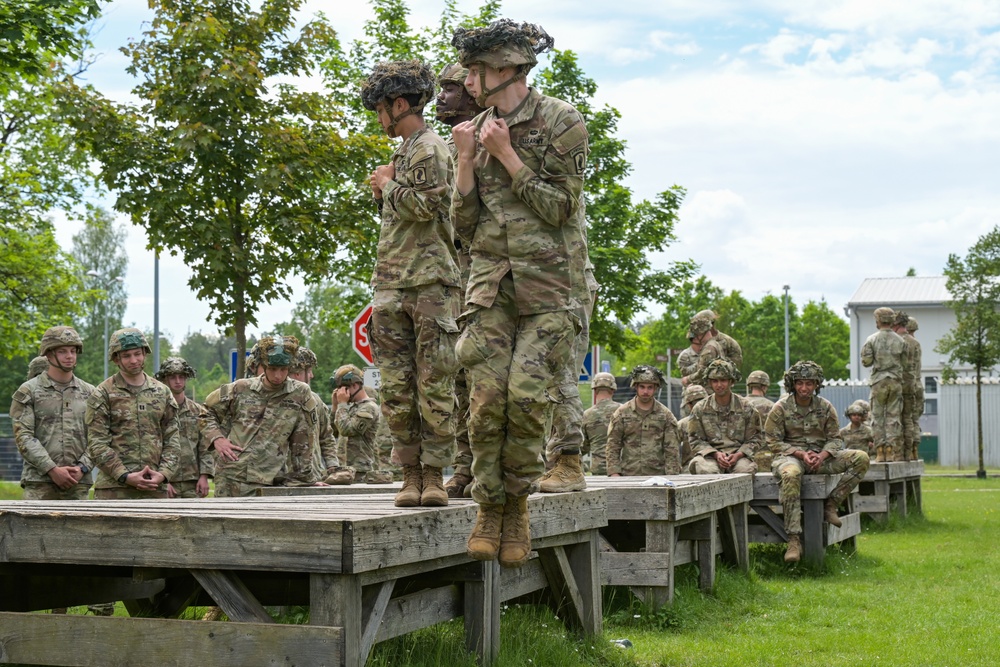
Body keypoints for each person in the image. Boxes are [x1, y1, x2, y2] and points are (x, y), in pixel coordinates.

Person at [451, 19, 588, 567]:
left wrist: (508, 155)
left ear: (506, 69)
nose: (468, 78)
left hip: (550, 283)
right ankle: (491, 508)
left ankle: (517, 506)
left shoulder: (562, 121)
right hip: (490, 285)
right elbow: (462, 224)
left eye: (477, 69)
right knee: (486, 400)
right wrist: (465, 159)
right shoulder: (474, 129)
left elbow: (561, 207)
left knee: (528, 400)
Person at [362, 59, 461, 509]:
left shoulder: (428, 147)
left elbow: (427, 208)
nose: (379, 119)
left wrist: (388, 184)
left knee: (435, 383)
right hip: (393, 283)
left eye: (381, 109)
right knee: (397, 387)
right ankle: (410, 474)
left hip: (429, 284)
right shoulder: (404, 153)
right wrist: (387, 186)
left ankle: (434, 475)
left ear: (399, 104)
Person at [435, 62, 484, 499]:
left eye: (451, 89)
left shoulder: (485, 137)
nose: (442, 97)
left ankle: (489, 469)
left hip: (484, 276)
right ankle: (465, 467)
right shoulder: (440, 148)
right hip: (453, 279)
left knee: (487, 377)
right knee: (459, 381)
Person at [765, 360, 870, 563]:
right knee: (791, 475)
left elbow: (835, 438)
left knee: (861, 458)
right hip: (790, 458)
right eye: (800, 383)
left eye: (809, 383)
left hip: (820, 458)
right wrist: (799, 454)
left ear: (816, 385)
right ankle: (794, 539)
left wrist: (823, 455)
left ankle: (831, 504)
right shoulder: (781, 407)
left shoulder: (825, 407)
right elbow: (772, 441)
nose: (804, 388)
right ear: (792, 384)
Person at [201, 335, 322, 497]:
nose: (278, 375)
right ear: (264, 366)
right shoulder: (241, 388)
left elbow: (304, 437)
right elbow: (206, 412)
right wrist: (217, 439)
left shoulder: (300, 393)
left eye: (283, 369)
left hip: (272, 479)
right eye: (273, 369)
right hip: (233, 477)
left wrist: (305, 478)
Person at [86, 328, 180, 499]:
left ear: (145, 353)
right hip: (114, 490)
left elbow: (172, 438)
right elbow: (97, 443)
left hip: (154, 488)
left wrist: (163, 473)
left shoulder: (162, 392)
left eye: (137, 354)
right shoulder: (103, 393)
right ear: (116, 358)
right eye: (126, 356)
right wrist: (124, 475)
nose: (134, 360)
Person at [11, 327, 95, 500]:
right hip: (40, 483)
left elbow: (98, 437)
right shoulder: (29, 391)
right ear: (48, 355)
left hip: (77, 483)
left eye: (73, 351)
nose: (69, 356)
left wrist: (82, 468)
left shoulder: (91, 393)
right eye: (62, 351)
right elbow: (24, 436)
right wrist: (52, 469)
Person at [289, 348, 354, 485]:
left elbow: (326, 436)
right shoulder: (277, 400)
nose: (312, 375)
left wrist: (333, 467)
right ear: (297, 373)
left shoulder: (315, 400)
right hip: (287, 478)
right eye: (309, 371)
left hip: (316, 477)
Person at [686, 359, 760, 475]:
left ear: (731, 381)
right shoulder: (700, 409)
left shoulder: (746, 407)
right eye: (715, 381)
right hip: (709, 457)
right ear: (709, 382)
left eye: (723, 380)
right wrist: (715, 454)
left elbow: (756, 437)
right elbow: (695, 439)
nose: (719, 385)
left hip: (738, 456)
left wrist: (739, 454)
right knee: (706, 470)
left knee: (744, 471)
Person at [606, 365, 683, 476]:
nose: (645, 391)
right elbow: (613, 444)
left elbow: (672, 449)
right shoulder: (622, 413)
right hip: (628, 475)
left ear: (655, 388)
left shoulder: (665, 415)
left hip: (657, 477)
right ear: (636, 387)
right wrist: (614, 473)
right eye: (642, 387)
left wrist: (671, 476)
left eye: (650, 387)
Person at [154, 357, 211, 499]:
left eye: (181, 377)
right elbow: (152, 446)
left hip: (192, 482)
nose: (178, 381)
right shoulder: (156, 411)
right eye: (173, 377)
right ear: (164, 379)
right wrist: (162, 479)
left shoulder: (198, 411)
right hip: (165, 481)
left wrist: (204, 476)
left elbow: (205, 446)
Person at [861, 307, 905, 462]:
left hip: (879, 381)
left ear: (878, 320)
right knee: (893, 416)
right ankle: (890, 450)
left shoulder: (872, 339)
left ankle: (880, 451)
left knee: (878, 416)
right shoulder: (900, 340)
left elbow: (866, 362)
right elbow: (905, 364)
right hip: (895, 381)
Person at [330, 365, 385, 485]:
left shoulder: (369, 407)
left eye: (343, 388)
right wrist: (335, 407)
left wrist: (342, 405)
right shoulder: (349, 407)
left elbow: (347, 430)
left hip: (360, 471)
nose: (340, 392)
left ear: (355, 385)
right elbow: (333, 432)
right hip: (343, 468)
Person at [580, 372, 620, 475]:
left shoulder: (587, 415)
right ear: (613, 390)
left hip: (599, 470)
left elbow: (582, 447)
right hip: (620, 469)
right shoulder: (623, 411)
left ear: (595, 391)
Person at [683, 316, 726, 389]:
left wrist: (688, 379)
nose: (695, 338)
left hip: (708, 392)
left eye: (696, 335)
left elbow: (702, 372)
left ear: (701, 333)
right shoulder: (714, 344)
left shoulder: (708, 349)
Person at [905, 317, 924, 460]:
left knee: (903, 418)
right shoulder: (916, 343)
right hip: (917, 384)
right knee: (914, 418)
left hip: (905, 384)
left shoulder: (901, 342)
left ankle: (903, 451)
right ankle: (914, 449)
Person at [676, 384, 708, 468]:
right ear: (689, 405)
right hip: (689, 468)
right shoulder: (683, 424)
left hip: (712, 465)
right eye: (695, 403)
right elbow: (670, 446)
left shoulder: (716, 421)